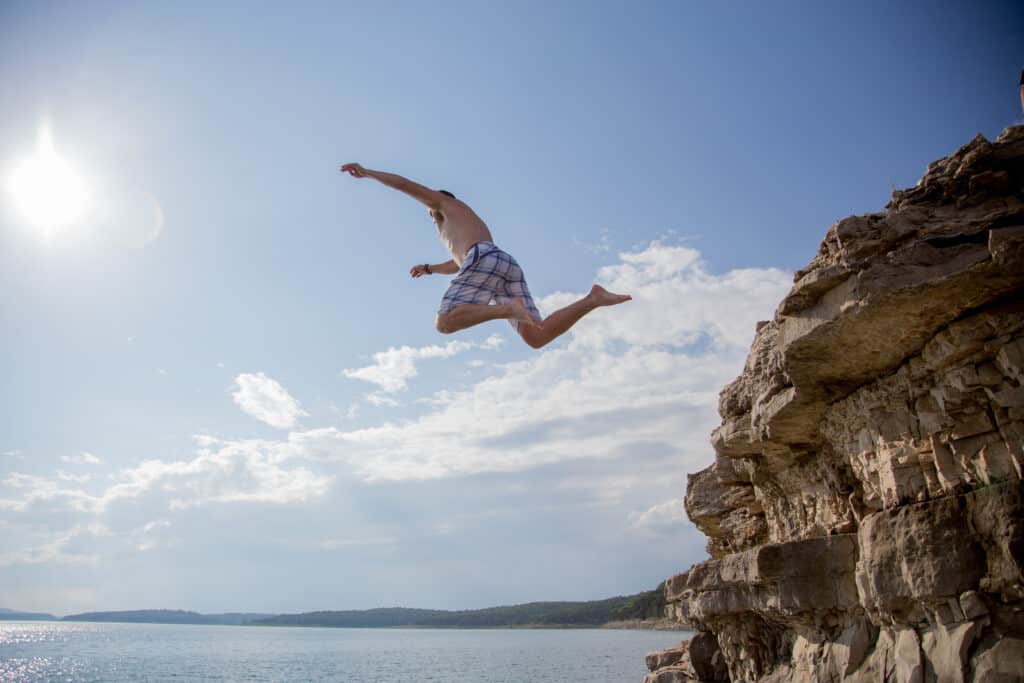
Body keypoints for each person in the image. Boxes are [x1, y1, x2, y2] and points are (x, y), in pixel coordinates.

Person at [340, 163, 631, 349]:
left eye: (431, 214)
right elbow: (458, 266)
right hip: (501, 263)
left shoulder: (444, 204)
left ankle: (508, 308)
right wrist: (428, 268)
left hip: (484, 258)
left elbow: (405, 185)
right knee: (536, 336)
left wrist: (369, 173)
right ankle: (593, 299)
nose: (432, 218)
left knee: (444, 322)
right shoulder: (461, 227)